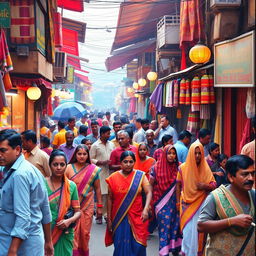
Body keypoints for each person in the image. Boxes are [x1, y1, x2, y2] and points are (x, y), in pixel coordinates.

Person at [0, 129, 53, 256]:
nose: (0, 155)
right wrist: (48, 241)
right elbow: (45, 208)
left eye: (3, 151)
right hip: (30, 241)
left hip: (19, 246)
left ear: (17, 150)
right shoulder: (21, 169)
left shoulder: (20, 175)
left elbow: (23, 217)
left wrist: (13, 251)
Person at [198, 155, 255, 255]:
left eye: (252, 173)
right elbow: (201, 225)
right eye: (245, 174)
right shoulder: (215, 197)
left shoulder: (254, 195)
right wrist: (231, 221)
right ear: (231, 177)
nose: (251, 178)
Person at [105, 151, 152, 255]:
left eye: (131, 161)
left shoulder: (140, 176)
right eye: (125, 161)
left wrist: (146, 209)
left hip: (137, 216)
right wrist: (109, 219)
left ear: (134, 162)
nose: (128, 164)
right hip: (119, 217)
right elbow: (110, 199)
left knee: (138, 245)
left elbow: (149, 192)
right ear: (120, 163)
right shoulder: (113, 178)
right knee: (120, 244)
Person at [176, 142, 216, 256]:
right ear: (190, 154)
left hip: (201, 204)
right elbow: (178, 185)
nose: (197, 156)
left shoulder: (205, 167)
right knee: (188, 233)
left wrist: (204, 186)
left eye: (199, 153)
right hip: (186, 204)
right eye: (195, 153)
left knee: (199, 233)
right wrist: (177, 203)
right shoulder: (182, 168)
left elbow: (214, 184)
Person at [66, 145, 102, 256]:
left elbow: (97, 188)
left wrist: (99, 206)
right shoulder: (68, 168)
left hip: (87, 206)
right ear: (75, 155)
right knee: (73, 232)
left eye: (84, 154)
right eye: (79, 154)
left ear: (88, 155)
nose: (82, 156)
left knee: (85, 233)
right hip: (71, 206)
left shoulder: (93, 170)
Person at [45, 150, 81, 255]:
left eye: (62, 164)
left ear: (66, 165)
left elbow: (78, 211)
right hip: (45, 233)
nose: (59, 168)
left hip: (64, 232)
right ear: (50, 165)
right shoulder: (41, 184)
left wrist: (69, 221)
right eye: (55, 164)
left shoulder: (71, 186)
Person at [150, 145, 182, 256]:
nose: (171, 156)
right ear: (164, 154)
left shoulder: (180, 167)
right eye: (169, 153)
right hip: (161, 203)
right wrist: (150, 203)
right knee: (164, 228)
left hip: (176, 203)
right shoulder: (156, 168)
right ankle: (163, 252)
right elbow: (150, 185)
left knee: (175, 227)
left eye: (174, 153)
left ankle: (175, 249)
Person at [90, 126, 115, 224]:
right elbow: (91, 159)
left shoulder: (112, 144)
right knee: (100, 194)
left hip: (110, 172)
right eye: (108, 133)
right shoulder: (95, 145)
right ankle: (99, 215)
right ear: (102, 134)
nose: (109, 135)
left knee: (109, 194)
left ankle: (106, 214)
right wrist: (102, 162)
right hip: (100, 172)